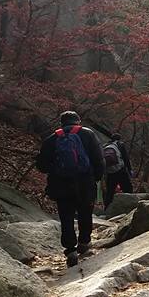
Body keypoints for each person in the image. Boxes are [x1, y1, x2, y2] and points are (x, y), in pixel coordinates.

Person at [36, 111, 104, 267]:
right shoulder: (88, 134)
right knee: (85, 212)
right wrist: (97, 177)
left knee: (66, 216)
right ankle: (84, 242)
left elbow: (42, 166)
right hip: (85, 183)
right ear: (78, 121)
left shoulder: (52, 139)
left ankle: (70, 250)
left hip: (61, 184)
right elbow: (98, 159)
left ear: (61, 123)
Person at [103, 133, 133, 209]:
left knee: (110, 191)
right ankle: (131, 206)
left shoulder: (105, 145)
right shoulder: (120, 145)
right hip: (120, 170)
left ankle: (106, 208)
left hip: (109, 172)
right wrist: (129, 170)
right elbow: (126, 158)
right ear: (119, 139)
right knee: (127, 188)